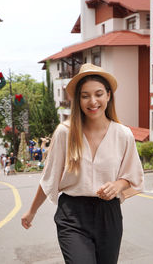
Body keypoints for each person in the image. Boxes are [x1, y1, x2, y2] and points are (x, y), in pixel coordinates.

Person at [21, 63, 144, 264]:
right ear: (78, 100)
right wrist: (31, 211)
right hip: (73, 216)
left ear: (108, 96)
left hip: (109, 215)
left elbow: (132, 175)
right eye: (85, 95)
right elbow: (50, 178)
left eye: (98, 94)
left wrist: (117, 186)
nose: (92, 101)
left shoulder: (123, 134)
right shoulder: (65, 132)